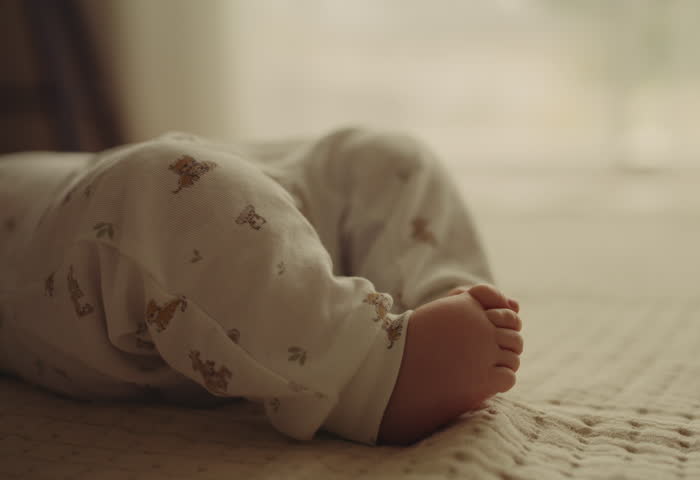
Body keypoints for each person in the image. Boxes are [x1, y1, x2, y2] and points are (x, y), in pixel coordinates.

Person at [0, 127, 523, 445]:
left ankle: (435, 293)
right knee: (167, 196)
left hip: (127, 172)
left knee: (384, 157)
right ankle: (359, 365)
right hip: (62, 252)